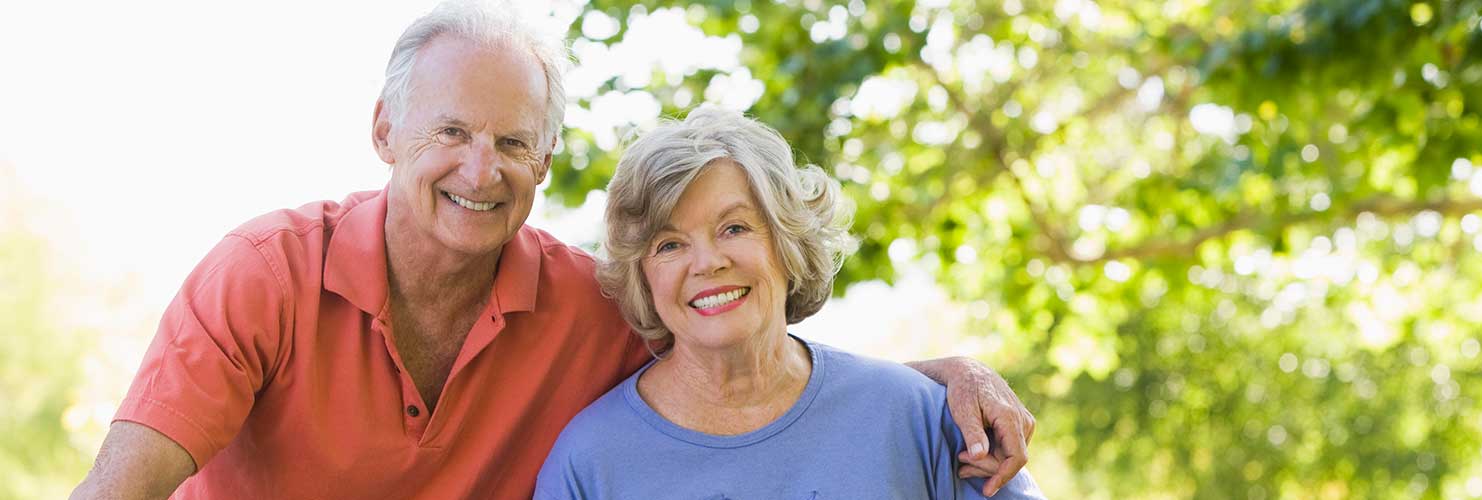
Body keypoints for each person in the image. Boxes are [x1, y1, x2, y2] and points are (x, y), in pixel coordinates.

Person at [68, 1, 1033, 498]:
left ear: (545, 159)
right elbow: (122, 489)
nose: (481, 169)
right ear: (384, 133)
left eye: (514, 142)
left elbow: (751, 371)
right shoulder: (265, 275)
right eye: (450, 133)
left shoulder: (589, 305)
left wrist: (938, 381)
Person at [532, 108, 1044, 499]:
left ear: (787, 241)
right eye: (669, 245)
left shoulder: (921, 418)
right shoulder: (590, 463)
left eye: (734, 227)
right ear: (643, 275)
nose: (707, 262)